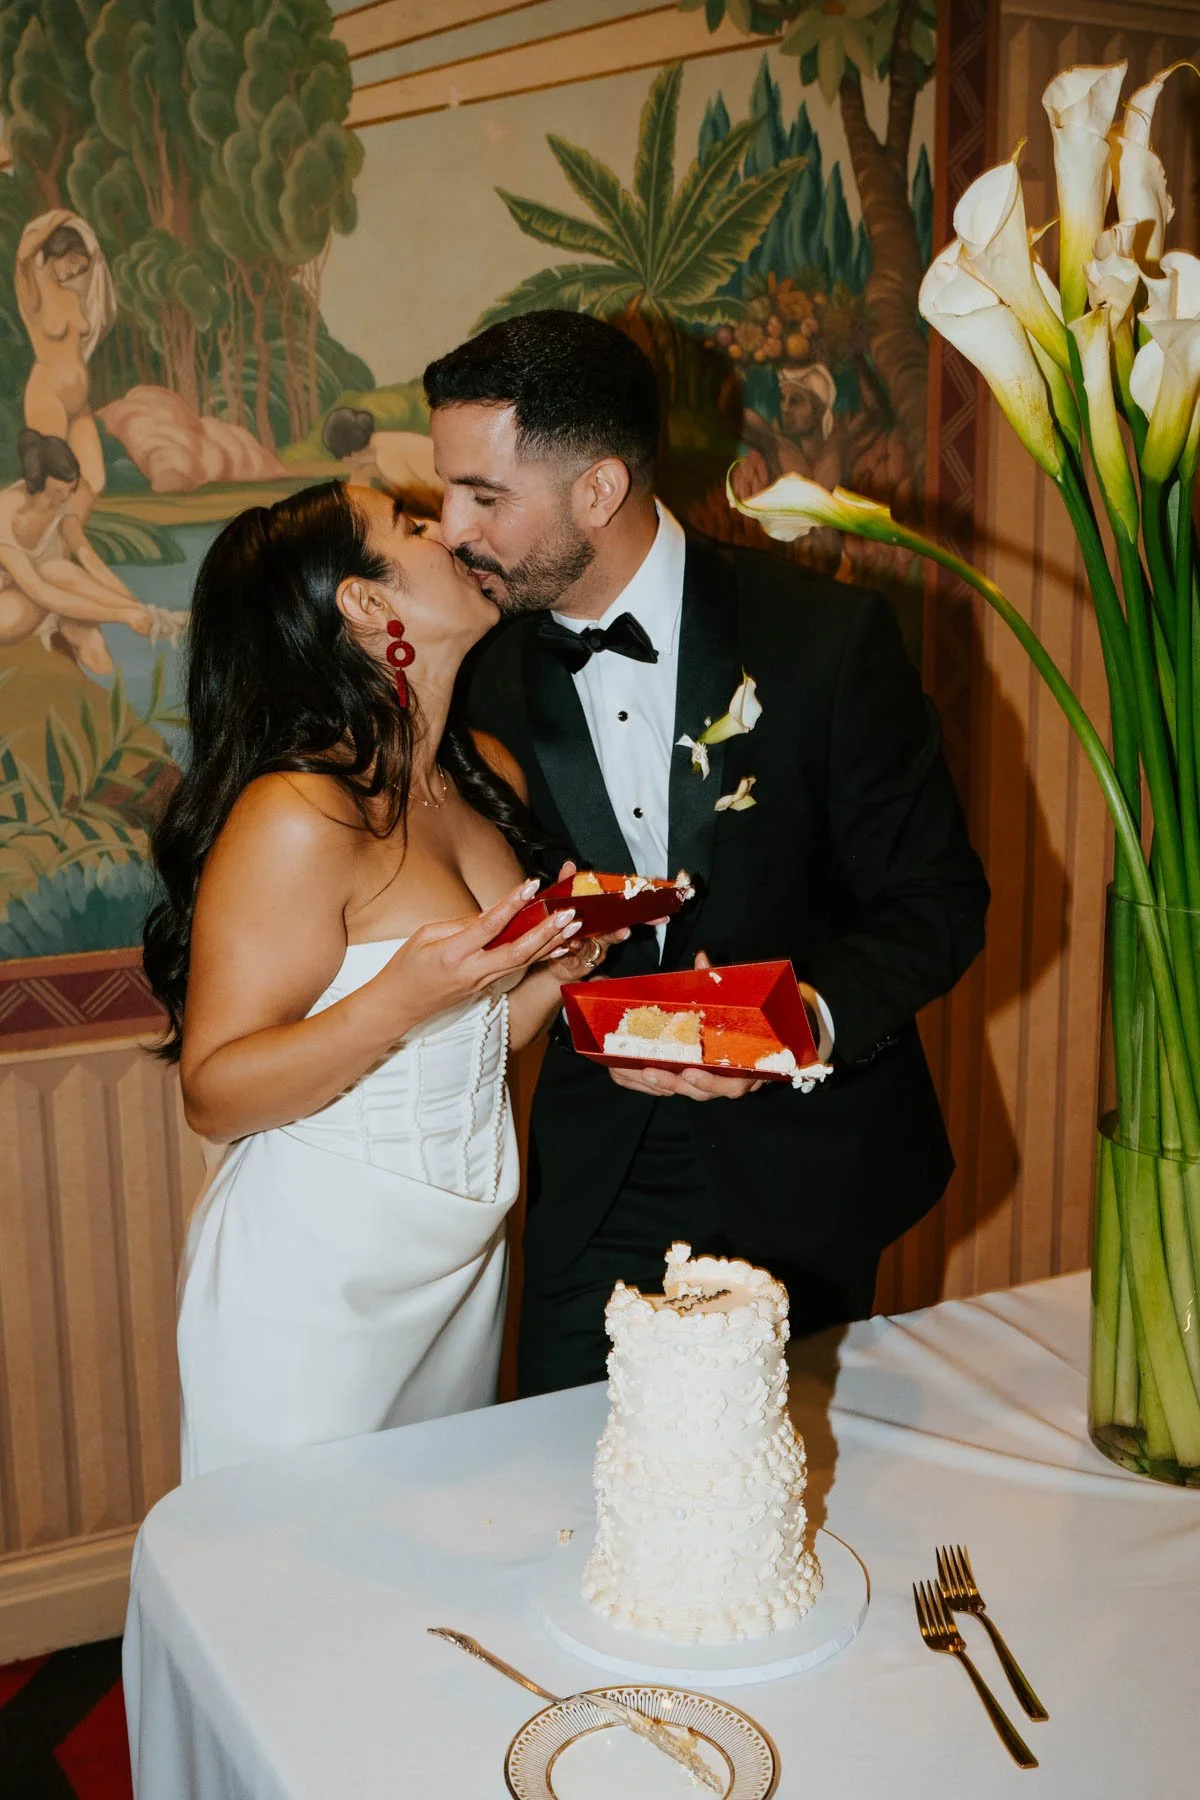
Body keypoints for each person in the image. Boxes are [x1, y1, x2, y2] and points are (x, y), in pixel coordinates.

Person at [424, 309, 990, 1396]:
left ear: (599, 489)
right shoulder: (477, 671)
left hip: (806, 1166)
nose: (453, 527)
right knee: (567, 1462)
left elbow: (937, 901)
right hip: (596, 1173)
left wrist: (798, 1020)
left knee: (779, 1471)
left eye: (484, 496)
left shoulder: (826, 639)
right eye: (450, 491)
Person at [142, 480, 624, 1479]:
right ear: (364, 604)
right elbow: (214, 1094)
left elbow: (475, 1037)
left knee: (434, 1536)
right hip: (312, 1282)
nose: (449, 531)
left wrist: (555, 973)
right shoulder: (297, 814)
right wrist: (400, 997)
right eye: (410, 527)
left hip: (458, 1256)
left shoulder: (482, 772)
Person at [0, 429, 183, 675]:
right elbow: (38, 590)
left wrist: (138, 609)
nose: (66, 498)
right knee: (46, 580)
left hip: (49, 592)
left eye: (71, 490)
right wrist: (122, 614)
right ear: (37, 483)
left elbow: (89, 558)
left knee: (92, 642)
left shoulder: (61, 501)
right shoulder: (5, 510)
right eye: (58, 492)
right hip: (13, 603)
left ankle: (152, 620)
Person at [15, 212, 116, 509]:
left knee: (94, 481)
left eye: (81, 267)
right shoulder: (33, 295)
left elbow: (98, 310)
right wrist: (63, 217)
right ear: (56, 254)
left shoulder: (72, 297)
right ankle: (21, 526)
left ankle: (70, 532)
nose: (76, 272)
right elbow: (23, 255)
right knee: (51, 482)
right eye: (73, 262)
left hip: (78, 403)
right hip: (48, 396)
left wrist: (95, 261)